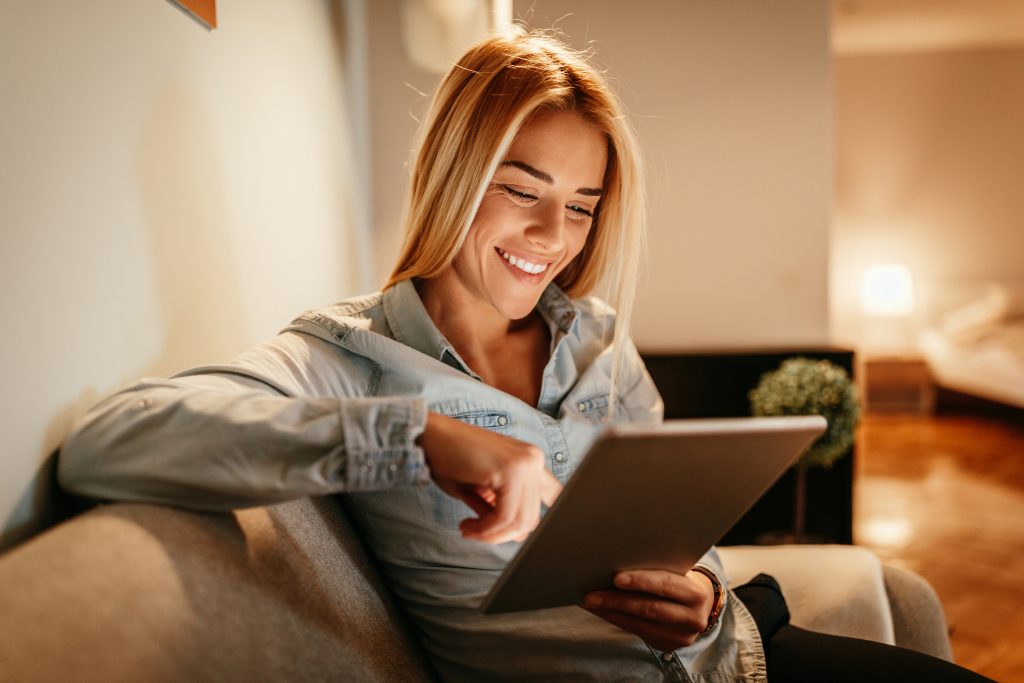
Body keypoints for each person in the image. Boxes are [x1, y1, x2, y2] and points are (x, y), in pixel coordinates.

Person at [59, 27, 992, 683]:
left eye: (583, 204)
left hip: (735, 661)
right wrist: (414, 434)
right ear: (452, 177)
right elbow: (108, 443)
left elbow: (677, 540)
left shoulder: (596, 341)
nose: (555, 235)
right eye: (523, 189)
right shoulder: (347, 354)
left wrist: (703, 595)